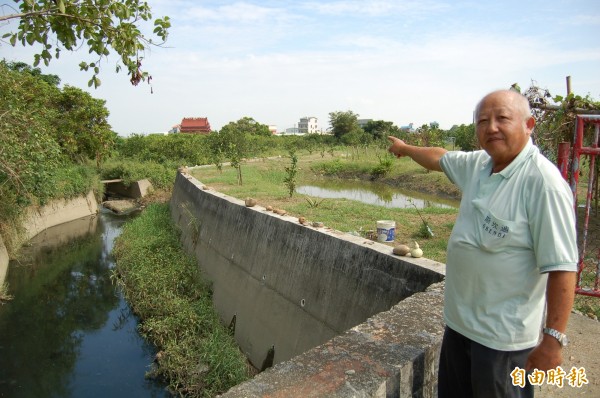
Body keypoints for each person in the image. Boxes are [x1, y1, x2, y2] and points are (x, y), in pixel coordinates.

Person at [388, 89, 578, 398]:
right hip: (459, 329)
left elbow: (563, 267)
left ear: (529, 125)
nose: (491, 127)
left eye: (502, 118)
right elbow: (438, 157)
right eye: (482, 121)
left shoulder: (543, 184)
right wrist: (406, 148)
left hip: (503, 344)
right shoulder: (479, 165)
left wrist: (553, 340)